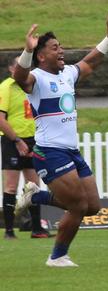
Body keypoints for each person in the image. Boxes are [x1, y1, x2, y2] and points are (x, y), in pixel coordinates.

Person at [12, 13, 108, 267]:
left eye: (61, 47)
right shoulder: (36, 78)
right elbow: (19, 77)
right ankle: (57, 257)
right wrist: (27, 51)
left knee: (92, 206)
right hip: (49, 151)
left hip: (72, 151)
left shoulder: (68, 73)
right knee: (77, 205)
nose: (62, 51)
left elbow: (91, 62)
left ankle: (36, 197)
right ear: (41, 55)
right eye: (55, 48)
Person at [1, 57, 52, 239]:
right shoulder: (6, 87)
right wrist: (17, 140)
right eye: (18, 66)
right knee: (11, 186)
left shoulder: (30, 85)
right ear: (10, 68)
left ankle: (37, 227)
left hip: (32, 140)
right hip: (12, 140)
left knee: (33, 185)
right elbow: (1, 120)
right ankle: (8, 231)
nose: (22, 69)